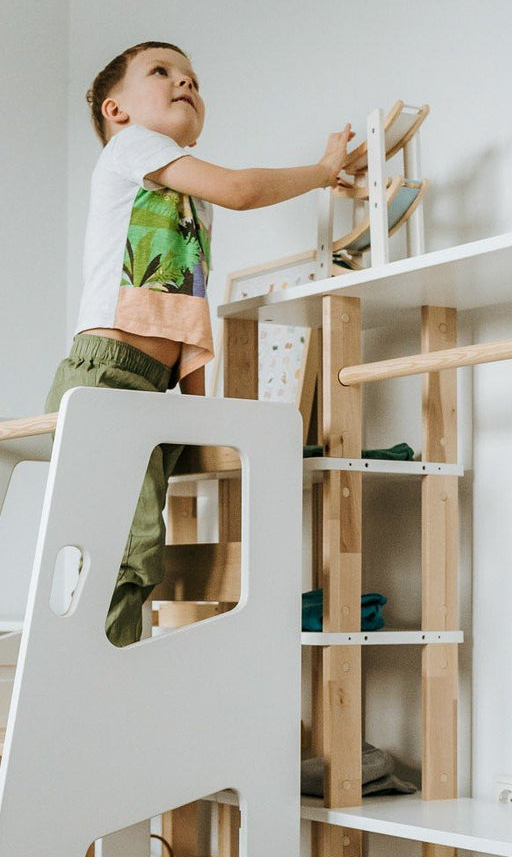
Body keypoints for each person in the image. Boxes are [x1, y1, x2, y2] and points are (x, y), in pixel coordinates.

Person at [48, 40, 353, 646]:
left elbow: (187, 311)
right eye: (161, 72)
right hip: (108, 378)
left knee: (136, 550)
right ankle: (96, 682)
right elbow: (240, 189)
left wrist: (198, 406)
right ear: (116, 111)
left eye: (193, 78)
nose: (185, 82)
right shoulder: (131, 148)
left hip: (149, 387)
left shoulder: (186, 201)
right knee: (126, 551)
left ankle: (106, 671)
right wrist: (322, 172)